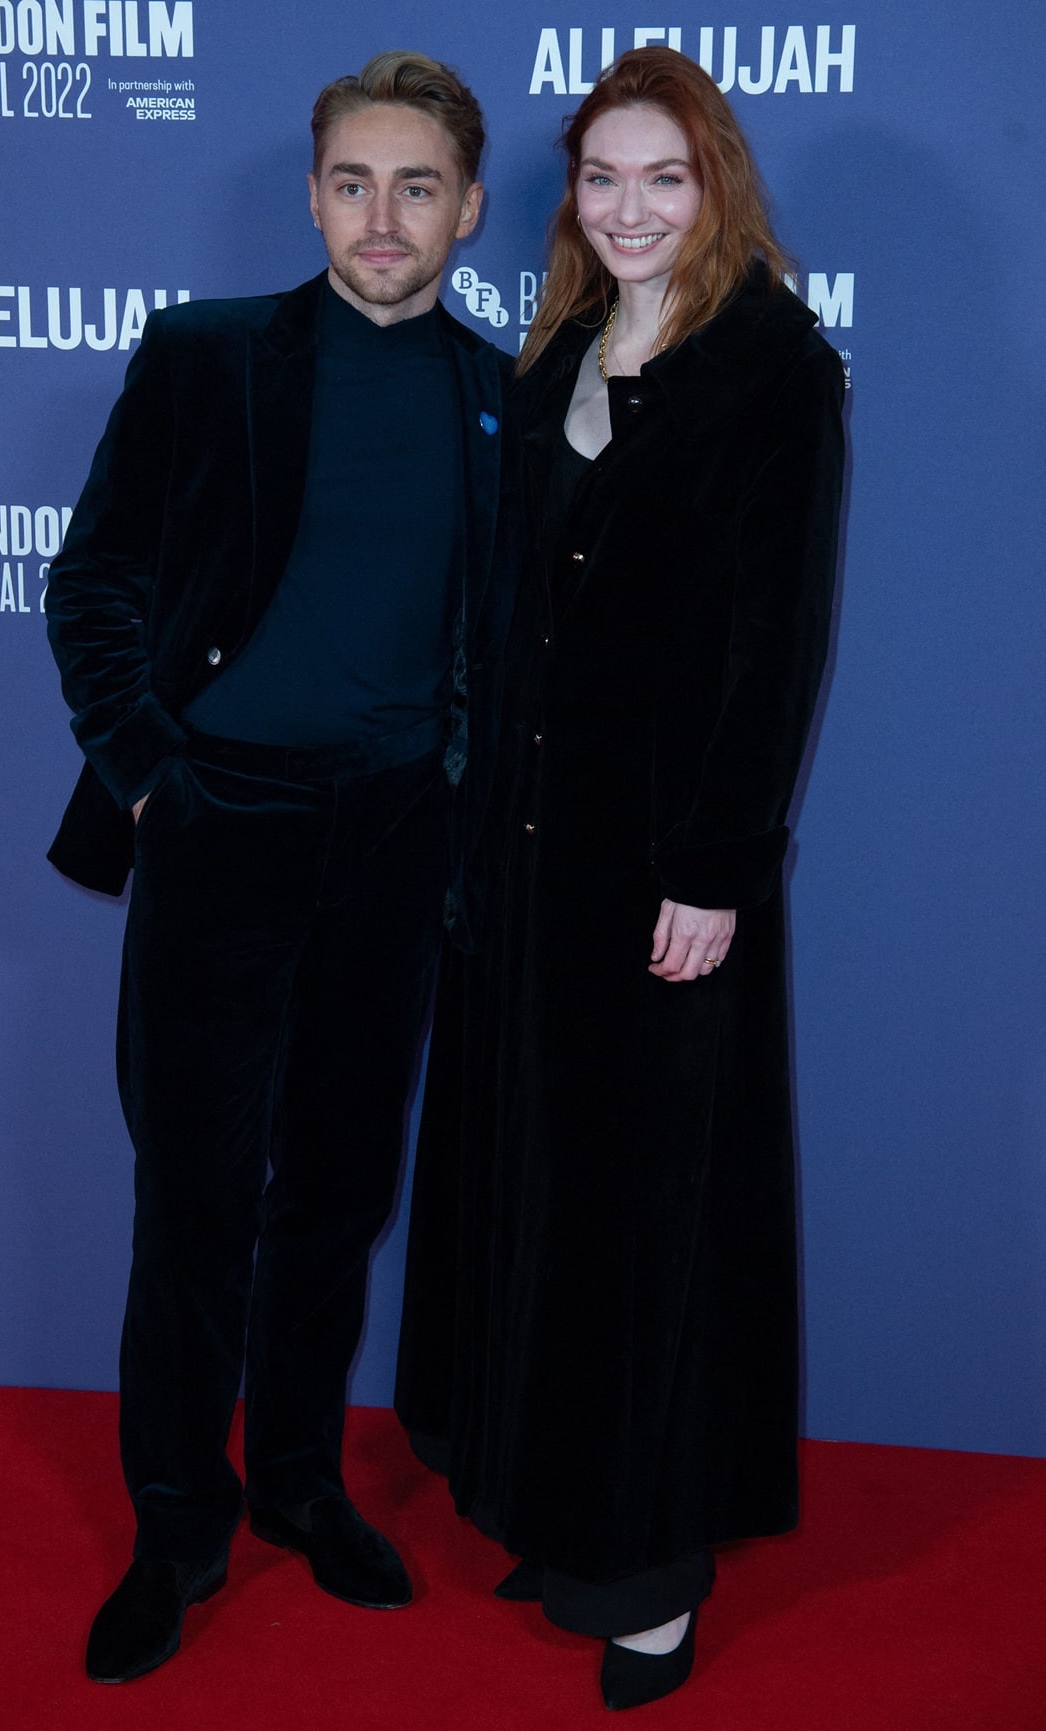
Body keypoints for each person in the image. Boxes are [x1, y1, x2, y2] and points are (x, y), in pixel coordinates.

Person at [45, 50, 519, 1685]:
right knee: (192, 1202)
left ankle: (302, 1483)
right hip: (220, 823)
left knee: (335, 1194)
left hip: (393, 838)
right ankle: (178, 1523)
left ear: (468, 207)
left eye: (414, 188)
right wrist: (154, 778)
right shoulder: (204, 356)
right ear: (312, 192)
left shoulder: (497, 396)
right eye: (349, 183)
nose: (379, 219)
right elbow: (93, 577)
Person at [396, 46, 845, 1710]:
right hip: (525, 872)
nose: (631, 207)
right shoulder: (567, 346)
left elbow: (775, 646)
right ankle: (563, 1512)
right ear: (572, 197)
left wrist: (720, 868)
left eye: (665, 177)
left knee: (657, 1223)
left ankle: (653, 1572)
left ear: (714, 184)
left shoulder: (776, 372)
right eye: (603, 178)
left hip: (667, 879)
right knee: (542, 1194)